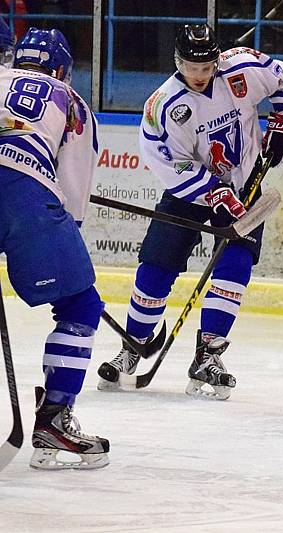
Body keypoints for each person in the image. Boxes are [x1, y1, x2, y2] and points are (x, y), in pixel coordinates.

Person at [96, 23, 283, 400]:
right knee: (157, 264)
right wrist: (212, 191)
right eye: (192, 68)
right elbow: (165, 162)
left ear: (217, 59)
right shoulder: (163, 105)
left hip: (246, 184)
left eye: (207, 67)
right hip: (191, 192)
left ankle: (209, 354)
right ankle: (135, 345)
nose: (199, 75)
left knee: (236, 264)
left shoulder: (243, 68)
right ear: (178, 62)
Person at [0, 25, 108, 469]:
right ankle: (54, 421)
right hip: (28, 196)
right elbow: (73, 194)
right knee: (81, 306)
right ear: (63, 69)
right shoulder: (70, 100)